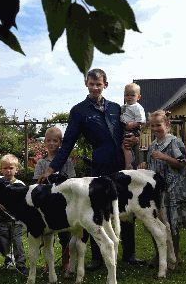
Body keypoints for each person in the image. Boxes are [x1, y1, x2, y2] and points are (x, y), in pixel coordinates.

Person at [38, 68, 144, 271]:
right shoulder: (79, 111)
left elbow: (127, 132)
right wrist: (51, 169)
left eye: (99, 84)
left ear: (106, 85)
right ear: (86, 84)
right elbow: (67, 143)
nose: (95, 87)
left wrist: (136, 139)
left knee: (126, 207)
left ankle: (129, 254)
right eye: (91, 84)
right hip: (100, 166)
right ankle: (97, 258)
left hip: (121, 164)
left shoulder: (116, 108)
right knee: (98, 210)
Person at [145, 110, 186, 266]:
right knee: (156, 222)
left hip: (173, 189)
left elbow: (182, 163)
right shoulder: (152, 146)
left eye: (159, 125)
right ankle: (159, 255)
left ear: (167, 124)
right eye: (153, 125)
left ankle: (175, 255)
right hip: (157, 191)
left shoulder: (174, 141)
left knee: (172, 223)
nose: (156, 128)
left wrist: (164, 157)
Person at [33, 126, 76, 273]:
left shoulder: (67, 162)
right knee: (47, 236)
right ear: (44, 142)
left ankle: (66, 262)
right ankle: (48, 264)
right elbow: (36, 184)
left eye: (55, 141)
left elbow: (72, 181)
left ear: (60, 142)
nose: (52, 144)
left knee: (65, 235)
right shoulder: (41, 163)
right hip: (47, 205)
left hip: (64, 204)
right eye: (49, 141)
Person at [0, 154, 27, 275]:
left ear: (16, 169)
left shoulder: (20, 184)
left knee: (17, 241)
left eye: (11, 168)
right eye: (5, 168)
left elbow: (24, 200)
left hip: (16, 219)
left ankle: (21, 264)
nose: (8, 171)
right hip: (1, 219)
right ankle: (8, 260)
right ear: (1, 169)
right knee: (3, 241)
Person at [121, 83, 146, 169]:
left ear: (138, 97)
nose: (129, 97)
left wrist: (132, 125)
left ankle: (129, 164)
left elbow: (142, 120)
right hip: (125, 129)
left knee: (126, 146)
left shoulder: (137, 107)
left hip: (133, 130)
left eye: (132, 95)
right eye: (127, 95)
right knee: (125, 146)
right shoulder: (123, 107)